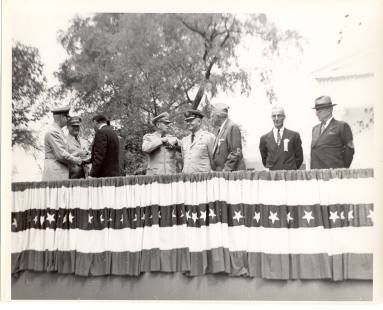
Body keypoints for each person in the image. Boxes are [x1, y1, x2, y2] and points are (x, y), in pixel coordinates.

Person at [310, 96, 354, 169]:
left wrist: (341, 169)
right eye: (316, 111)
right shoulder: (315, 129)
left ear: (329, 110)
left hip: (333, 174)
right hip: (316, 174)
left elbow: (349, 150)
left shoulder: (342, 126)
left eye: (319, 111)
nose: (316, 114)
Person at [42, 106, 82, 181]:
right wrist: (76, 160)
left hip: (59, 171)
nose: (68, 119)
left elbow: (62, 153)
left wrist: (77, 154)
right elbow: (61, 155)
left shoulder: (58, 131)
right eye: (67, 117)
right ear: (61, 117)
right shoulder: (53, 132)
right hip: (55, 172)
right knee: (55, 192)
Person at [259, 106, 303, 170]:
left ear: (284, 117)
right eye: (274, 116)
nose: (276, 119)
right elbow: (264, 159)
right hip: (273, 176)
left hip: (289, 176)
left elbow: (299, 158)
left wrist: (290, 168)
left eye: (279, 116)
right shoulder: (264, 139)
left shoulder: (294, 135)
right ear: (271, 117)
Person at [210, 102, 246, 171]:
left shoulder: (232, 127)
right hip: (222, 173)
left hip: (230, 174)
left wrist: (226, 170)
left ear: (218, 116)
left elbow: (235, 152)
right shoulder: (221, 130)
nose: (211, 118)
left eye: (212, 115)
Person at [180, 109, 215, 173]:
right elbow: (184, 161)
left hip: (203, 179)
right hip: (187, 179)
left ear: (199, 122)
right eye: (187, 121)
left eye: (191, 121)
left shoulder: (209, 137)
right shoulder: (184, 140)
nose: (188, 123)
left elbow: (214, 161)